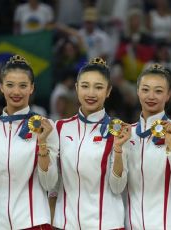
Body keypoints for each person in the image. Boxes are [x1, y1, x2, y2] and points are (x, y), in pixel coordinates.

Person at [0, 55, 59, 229]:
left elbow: (50, 184)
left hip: (34, 222)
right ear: (1, 87)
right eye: (10, 85)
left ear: (32, 88)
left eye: (23, 85)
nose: (16, 92)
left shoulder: (46, 127)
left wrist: (42, 143)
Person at [51, 57, 129, 229]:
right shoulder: (60, 128)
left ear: (108, 91)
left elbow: (118, 187)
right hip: (65, 224)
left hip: (106, 225)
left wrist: (118, 149)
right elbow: (52, 185)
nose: (91, 93)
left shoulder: (119, 130)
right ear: (77, 88)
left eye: (99, 87)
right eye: (85, 86)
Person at [113, 63, 171, 229]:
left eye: (158, 91)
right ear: (137, 91)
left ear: (168, 94)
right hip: (132, 224)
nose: (151, 96)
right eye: (145, 89)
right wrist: (118, 150)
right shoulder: (127, 134)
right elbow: (116, 186)